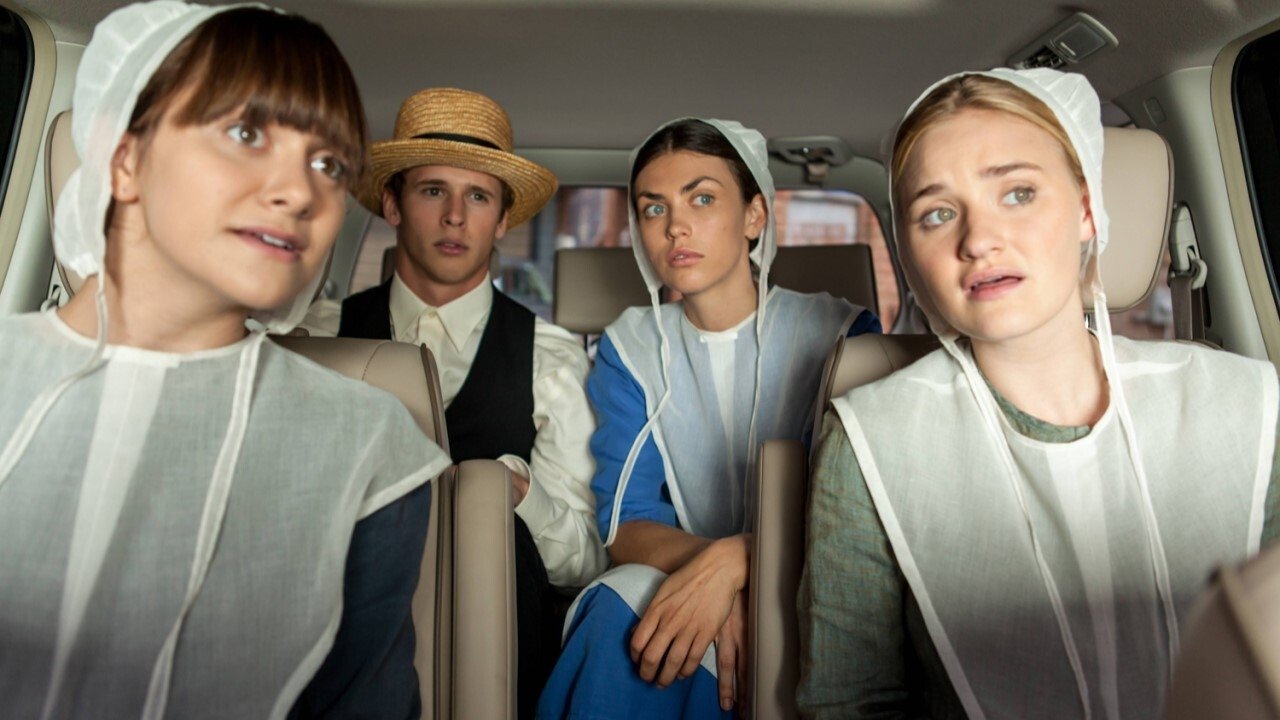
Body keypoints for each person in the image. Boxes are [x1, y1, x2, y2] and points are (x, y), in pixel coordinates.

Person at [0, 3, 451, 718]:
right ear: (124, 160)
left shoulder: (370, 449)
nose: (300, 193)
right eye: (246, 133)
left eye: (329, 164)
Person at [797, 67, 1280, 719]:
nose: (978, 240)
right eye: (937, 214)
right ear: (910, 256)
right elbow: (850, 703)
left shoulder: (1244, 405)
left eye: (1018, 193)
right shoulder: (870, 442)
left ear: (1087, 210)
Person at [537, 118, 881, 719]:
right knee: (617, 609)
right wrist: (712, 582)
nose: (675, 226)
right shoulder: (630, 348)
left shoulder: (843, 334)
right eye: (653, 208)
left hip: (820, 582)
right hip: (676, 567)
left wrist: (737, 562)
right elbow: (627, 524)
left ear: (754, 215)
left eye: (701, 199)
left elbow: (859, 518)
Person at [301, 87, 605, 717]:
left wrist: (519, 493)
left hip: (497, 656)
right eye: (434, 190)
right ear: (392, 203)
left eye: (479, 197)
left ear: (503, 220)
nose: (456, 218)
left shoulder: (550, 358)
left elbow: (583, 559)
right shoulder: (319, 338)